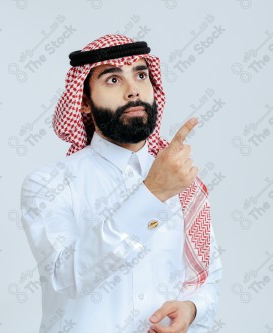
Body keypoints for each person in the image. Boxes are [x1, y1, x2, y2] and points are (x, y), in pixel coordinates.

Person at [20, 34, 222, 333]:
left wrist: (192, 309)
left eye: (141, 75)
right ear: (85, 102)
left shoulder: (182, 180)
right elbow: (66, 278)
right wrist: (152, 194)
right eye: (113, 80)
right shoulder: (49, 183)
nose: (133, 91)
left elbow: (206, 279)